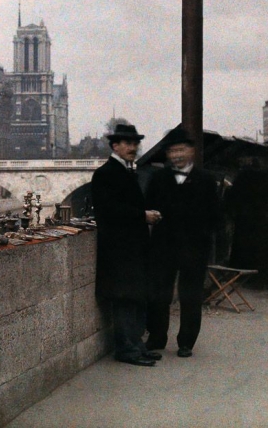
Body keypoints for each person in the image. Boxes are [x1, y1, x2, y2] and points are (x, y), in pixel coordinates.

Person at [145, 127, 222, 358]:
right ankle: (157, 337)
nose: (176, 155)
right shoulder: (157, 178)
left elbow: (216, 216)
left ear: (191, 151)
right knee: (159, 293)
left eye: (180, 150)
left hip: (195, 248)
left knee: (191, 295)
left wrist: (204, 239)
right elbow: (148, 206)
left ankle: (186, 342)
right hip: (163, 246)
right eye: (172, 151)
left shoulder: (207, 181)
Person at [92, 123, 162, 367]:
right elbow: (108, 210)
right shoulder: (105, 174)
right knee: (124, 300)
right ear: (115, 146)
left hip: (130, 249)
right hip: (119, 250)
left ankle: (136, 345)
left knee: (134, 298)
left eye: (135, 143)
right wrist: (142, 216)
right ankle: (126, 350)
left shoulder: (124, 171)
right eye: (129, 144)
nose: (134, 148)